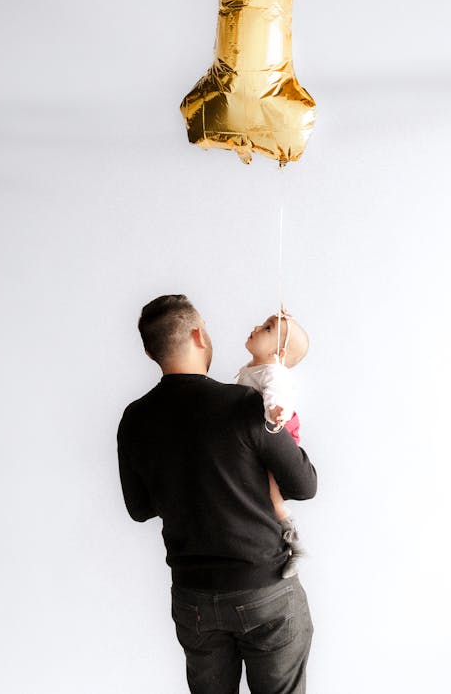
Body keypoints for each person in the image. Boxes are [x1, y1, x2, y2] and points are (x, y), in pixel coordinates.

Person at [117, 294, 318, 694]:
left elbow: (139, 509)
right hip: (265, 592)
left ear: (148, 350)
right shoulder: (243, 405)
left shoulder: (134, 419)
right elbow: (303, 485)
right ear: (198, 335)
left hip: (194, 598)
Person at [235, 309, 310, 579]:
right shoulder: (255, 368)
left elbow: (275, 395)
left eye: (267, 329)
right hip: (266, 433)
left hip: (278, 430)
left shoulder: (273, 372)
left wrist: (274, 411)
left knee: (273, 497)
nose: (257, 326)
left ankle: (295, 546)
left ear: (278, 352)